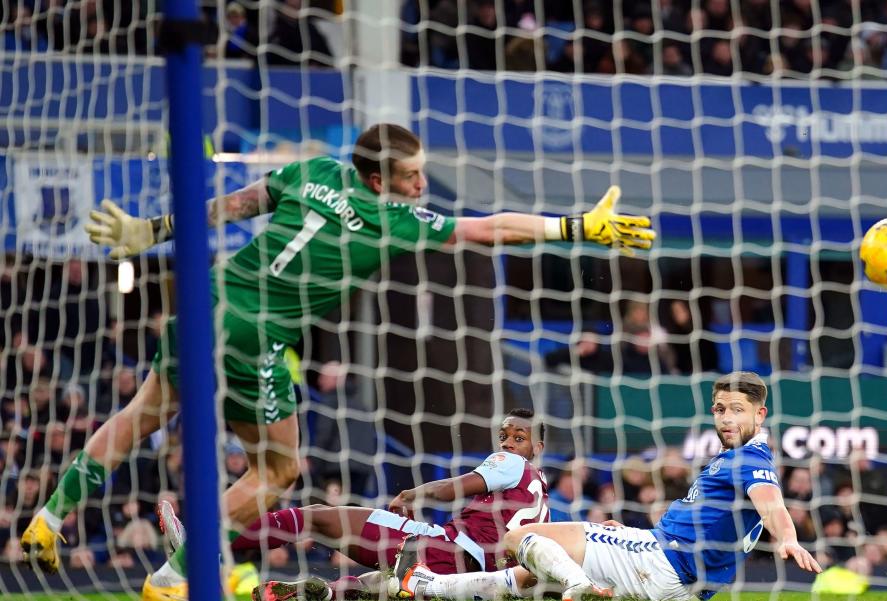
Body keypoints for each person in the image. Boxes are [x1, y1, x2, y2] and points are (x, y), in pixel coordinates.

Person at [20, 122, 654, 600]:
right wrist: (573, 227)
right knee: (280, 466)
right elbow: (488, 229)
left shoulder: (312, 170)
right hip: (255, 336)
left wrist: (151, 231)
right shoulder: (395, 220)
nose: (420, 186)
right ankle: (173, 577)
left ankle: (48, 518)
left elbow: (233, 205)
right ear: (380, 182)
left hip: (203, 303)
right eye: (411, 177)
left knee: (139, 414)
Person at [391, 371, 822, 601]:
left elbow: (771, 504)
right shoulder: (736, 457)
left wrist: (787, 538)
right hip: (681, 581)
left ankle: (581, 587)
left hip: (661, 561)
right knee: (532, 577)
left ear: (760, 415)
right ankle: (425, 586)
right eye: (720, 409)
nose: (726, 418)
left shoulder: (751, 458)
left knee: (520, 538)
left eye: (738, 410)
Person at [162, 409, 548, 601]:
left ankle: (201, 550)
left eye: (519, 437)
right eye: (504, 436)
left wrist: (413, 495)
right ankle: (324, 592)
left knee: (316, 518)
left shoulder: (511, 465)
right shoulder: (545, 506)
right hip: (466, 583)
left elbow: (454, 486)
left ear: (537, 449)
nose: (509, 444)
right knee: (377, 588)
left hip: (442, 548)